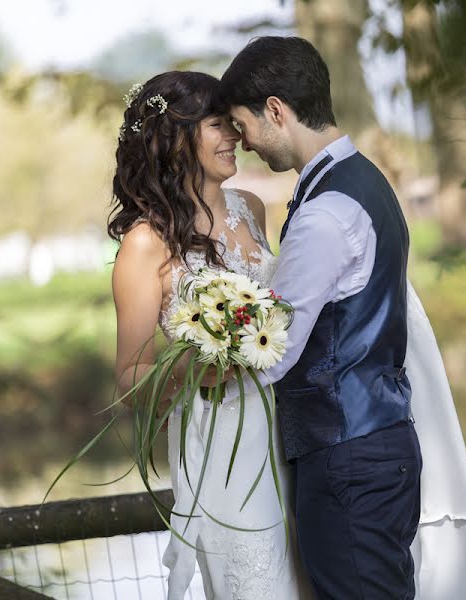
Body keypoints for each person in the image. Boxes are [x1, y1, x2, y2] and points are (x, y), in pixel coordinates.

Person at [219, 36, 466, 600]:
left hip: (346, 456)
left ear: (275, 110)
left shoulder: (325, 212)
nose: (243, 142)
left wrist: (203, 357)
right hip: (375, 445)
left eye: (241, 123)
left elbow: (274, 347)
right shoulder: (361, 181)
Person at [108, 71, 312, 599]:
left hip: (292, 429)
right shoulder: (144, 246)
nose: (236, 137)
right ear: (173, 138)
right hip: (223, 444)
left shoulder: (253, 208)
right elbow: (130, 378)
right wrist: (201, 362)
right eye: (218, 125)